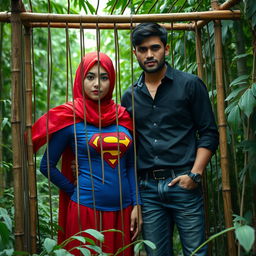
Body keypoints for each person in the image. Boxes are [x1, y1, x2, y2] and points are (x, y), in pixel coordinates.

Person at [121, 23, 219, 256]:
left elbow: (209, 132)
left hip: (183, 184)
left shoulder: (190, 85)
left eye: (155, 48)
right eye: (142, 49)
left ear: (166, 48)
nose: (149, 54)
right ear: (135, 52)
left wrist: (195, 175)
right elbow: (128, 146)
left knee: (196, 253)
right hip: (148, 191)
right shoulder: (130, 96)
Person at [32, 52, 142, 256]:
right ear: (80, 79)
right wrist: (73, 191)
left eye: (104, 77)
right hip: (86, 211)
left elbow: (130, 166)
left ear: (112, 80)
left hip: (124, 210)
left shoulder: (123, 117)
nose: (97, 84)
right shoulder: (70, 118)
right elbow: (46, 165)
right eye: (90, 77)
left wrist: (137, 204)